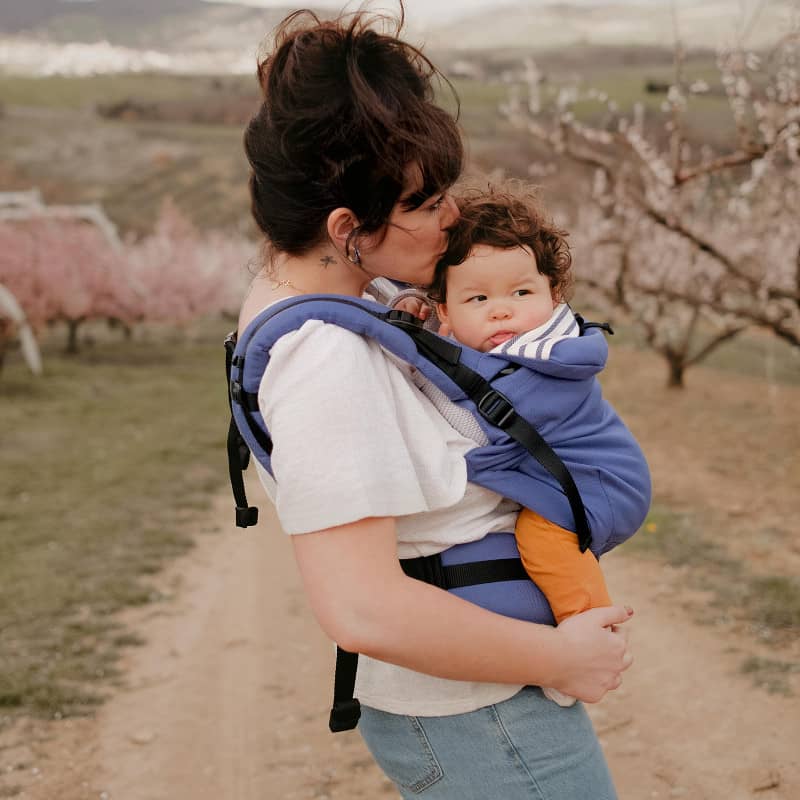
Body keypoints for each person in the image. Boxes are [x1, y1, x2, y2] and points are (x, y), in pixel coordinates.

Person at [237, 6, 633, 798]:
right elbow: (362, 608)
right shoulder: (325, 359)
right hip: (481, 713)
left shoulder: (343, 300)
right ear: (347, 228)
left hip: (481, 696)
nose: (452, 218)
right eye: (426, 203)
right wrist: (563, 658)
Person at [395, 186, 645, 707]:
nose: (501, 312)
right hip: (565, 473)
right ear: (444, 309)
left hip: (598, 481)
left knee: (542, 539)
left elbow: (468, 416)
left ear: (553, 295)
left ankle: (587, 636)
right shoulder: (490, 344)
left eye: (520, 293)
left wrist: (410, 360)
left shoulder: (544, 354)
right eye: (478, 298)